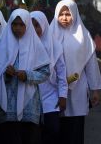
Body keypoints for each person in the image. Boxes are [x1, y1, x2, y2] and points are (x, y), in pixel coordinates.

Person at [0, 8, 50, 144]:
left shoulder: (36, 46)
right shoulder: (4, 46)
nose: (17, 28)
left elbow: (45, 73)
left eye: (21, 25)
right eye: (14, 24)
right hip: (8, 107)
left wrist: (27, 75)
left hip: (29, 106)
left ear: (27, 25)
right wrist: (6, 74)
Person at [49, 0, 101, 144]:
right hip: (53, 88)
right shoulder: (49, 34)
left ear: (75, 14)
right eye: (61, 14)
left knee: (75, 128)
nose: (65, 18)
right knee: (55, 128)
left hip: (78, 88)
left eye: (68, 14)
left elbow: (91, 65)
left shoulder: (83, 36)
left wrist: (95, 89)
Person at [30, 11, 67, 144]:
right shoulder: (24, 45)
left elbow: (62, 72)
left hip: (51, 95)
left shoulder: (55, 46)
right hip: (30, 95)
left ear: (44, 26)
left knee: (53, 130)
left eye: (37, 25)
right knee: (34, 133)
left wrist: (63, 95)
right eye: (31, 25)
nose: (34, 29)